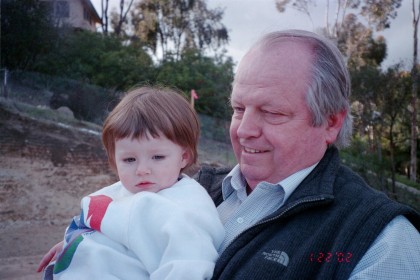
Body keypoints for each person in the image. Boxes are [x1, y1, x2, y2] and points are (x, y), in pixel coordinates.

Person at [39, 30, 420, 279]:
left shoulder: (381, 242)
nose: (243, 129)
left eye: (271, 112)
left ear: (331, 123)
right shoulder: (190, 185)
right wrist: (87, 248)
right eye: (239, 109)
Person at [41, 86, 225, 279]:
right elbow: (95, 222)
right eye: (129, 160)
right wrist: (72, 243)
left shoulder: (186, 209)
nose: (142, 169)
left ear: (184, 157)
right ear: (114, 159)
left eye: (157, 157)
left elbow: (188, 268)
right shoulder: (121, 191)